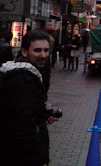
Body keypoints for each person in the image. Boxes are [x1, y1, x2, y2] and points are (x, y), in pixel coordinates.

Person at [0, 30, 58, 166]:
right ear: (24, 52)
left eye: (46, 50)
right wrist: (38, 157)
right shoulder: (23, 80)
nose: (43, 55)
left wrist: (41, 116)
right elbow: (23, 128)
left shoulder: (25, 73)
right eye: (37, 50)